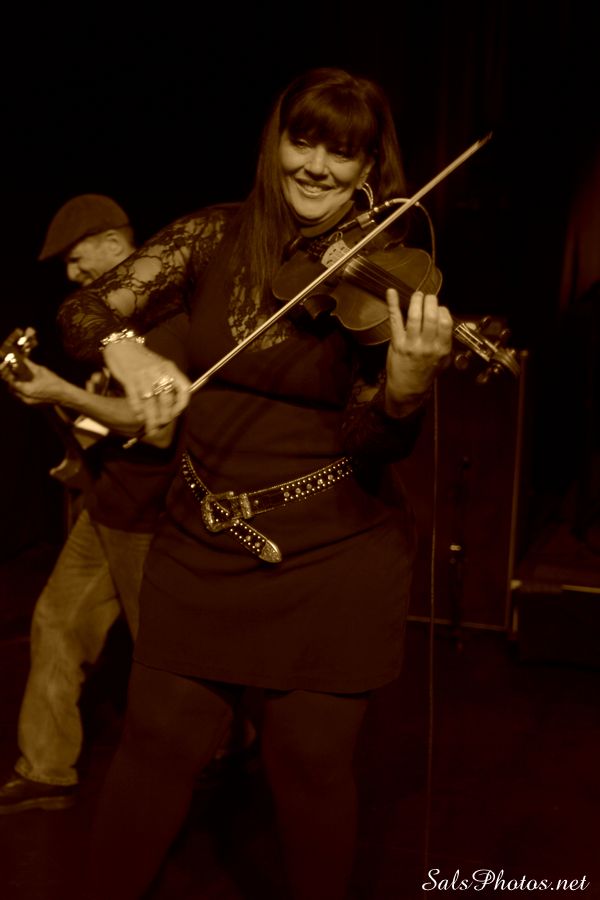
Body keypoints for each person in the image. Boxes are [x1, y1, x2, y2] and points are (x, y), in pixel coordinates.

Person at [58, 69, 454, 900]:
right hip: (200, 538)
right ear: (276, 143)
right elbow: (84, 312)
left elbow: (372, 439)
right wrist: (127, 352)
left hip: (331, 555)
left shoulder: (381, 273)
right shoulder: (213, 234)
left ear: (369, 167)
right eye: (302, 141)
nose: (316, 166)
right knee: (154, 747)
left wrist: (404, 391)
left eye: (341, 152)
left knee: (307, 766)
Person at [0, 195, 185, 815]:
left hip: (153, 513)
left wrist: (59, 390)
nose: (73, 275)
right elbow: (104, 421)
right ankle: (46, 769)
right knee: (56, 622)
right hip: (110, 503)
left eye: (79, 260)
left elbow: (154, 429)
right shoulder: (109, 324)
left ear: (114, 245)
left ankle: (225, 746)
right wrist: (60, 412)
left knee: (168, 656)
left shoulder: (165, 313)